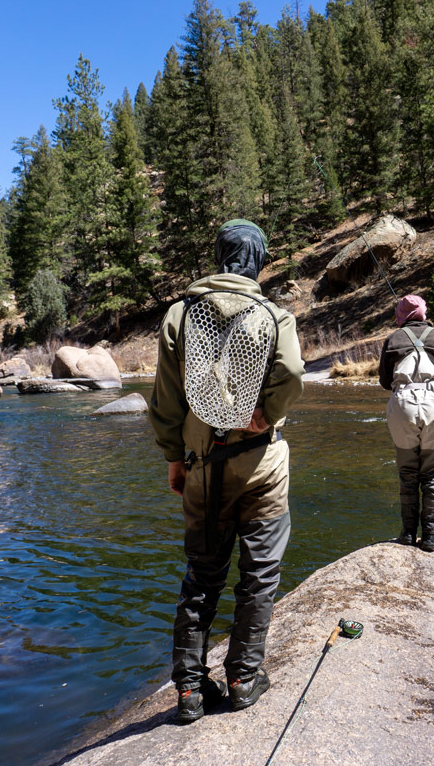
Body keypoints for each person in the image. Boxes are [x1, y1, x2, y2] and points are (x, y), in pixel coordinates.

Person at [149, 219, 304, 723]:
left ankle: (190, 691)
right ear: (258, 261)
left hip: (200, 469)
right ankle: (243, 678)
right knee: (259, 573)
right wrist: (266, 412)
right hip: (261, 465)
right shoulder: (276, 315)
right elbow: (294, 375)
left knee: (201, 576)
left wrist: (174, 459)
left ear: (219, 257)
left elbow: (166, 402)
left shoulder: (179, 314)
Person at [378, 294, 434, 553]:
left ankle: (406, 534)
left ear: (401, 315)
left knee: (408, 474)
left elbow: (384, 382)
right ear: (423, 312)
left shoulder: (393, 339)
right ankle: (430, 538)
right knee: (433, 474)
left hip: (403, 403)